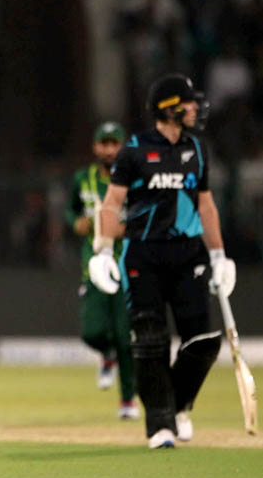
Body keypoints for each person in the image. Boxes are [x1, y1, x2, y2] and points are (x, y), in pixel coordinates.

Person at [89, 73, 236, 448]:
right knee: (150, 341)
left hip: (189, 255)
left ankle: (179, 404)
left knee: (203, 340)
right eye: (188, 102)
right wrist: (104, 250)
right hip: (144, 253)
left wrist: (219, 254)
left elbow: (206, 205)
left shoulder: (198, 150)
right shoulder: (135, 149)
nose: (195, 108)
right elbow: (112, 204)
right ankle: (160, 425)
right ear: (169, 107)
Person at [65, 121, 138, 420]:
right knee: (92, 331)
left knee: (125, 336)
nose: (108, 149)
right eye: (103, 143)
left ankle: (128, 401)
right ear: (95, 147)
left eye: (114, 143)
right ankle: (105, 354)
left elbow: (146, 210)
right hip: (92, 264)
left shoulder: (132, 179)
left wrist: (127, 227)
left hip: (125, 263)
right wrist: (74, 223)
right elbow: (71, 209)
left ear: (123, 146)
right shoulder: (83, 178)